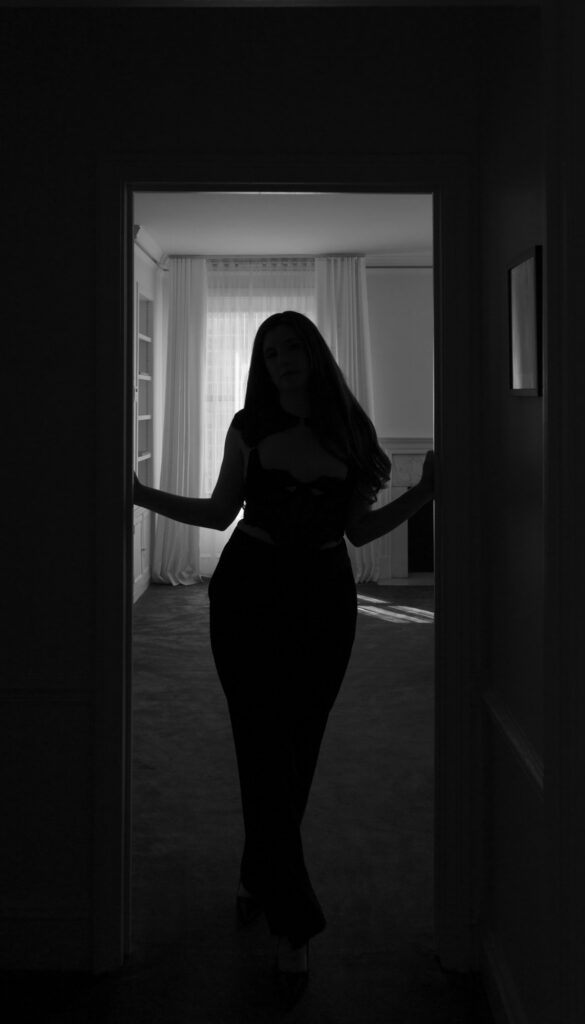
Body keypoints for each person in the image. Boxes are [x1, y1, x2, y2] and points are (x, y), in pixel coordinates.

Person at [133, 310, 434, 1008]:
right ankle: (292, 925)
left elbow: (359, 528)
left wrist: (422, 496)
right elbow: (218, 515)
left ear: (312, 353)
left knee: (297, 747)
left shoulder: (351, 433)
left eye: (290, 347)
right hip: (247, 594)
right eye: (270, 353)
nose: (281, 361)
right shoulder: (248, 426)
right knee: (258, 742)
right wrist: (141, 493)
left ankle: (255, 868)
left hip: (323, 599)